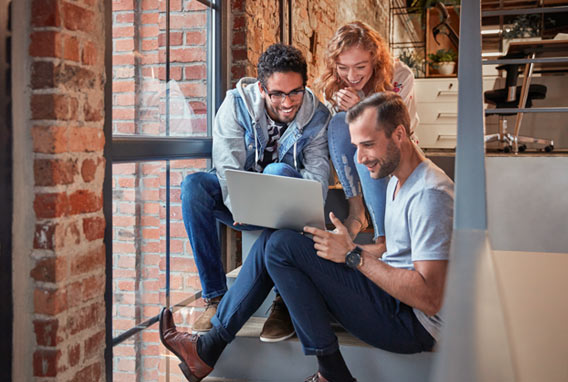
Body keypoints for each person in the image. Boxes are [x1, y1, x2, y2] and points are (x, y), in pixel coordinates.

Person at [159, 92, 453, 382]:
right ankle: (208, 351)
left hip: (410, 324)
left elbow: (428, 298)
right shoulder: (399, 180)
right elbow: (397, 255)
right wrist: (342, 247)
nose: (360, 158)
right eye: (356, 147)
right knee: (279, 243)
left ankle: (329, 373)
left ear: (399, 134)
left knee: (280, 247)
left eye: (368, 145)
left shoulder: (430, 194)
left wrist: (354, 256)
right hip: (390, 299)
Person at [180, 43, 331, 340]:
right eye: (277, 93)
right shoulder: (236, 105)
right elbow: (227, 168)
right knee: (193, 187)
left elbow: (316, 182)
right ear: (262, 88)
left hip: (289, 213)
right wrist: (239, 205)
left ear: (305, 85)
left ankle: (284, 300)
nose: (287, 102)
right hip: (239, 205)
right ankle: (215, 297)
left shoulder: (318, 117)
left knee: (277, 173)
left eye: (295, 92)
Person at [316, 21, 419, 240]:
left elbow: (398, 131)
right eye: (343, 67)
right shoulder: (334, 84)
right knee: (338, 123)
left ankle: (383, 236)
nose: (351, 76)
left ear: (375, 59)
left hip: (397, 150)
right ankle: (357, 211)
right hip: (357, 156)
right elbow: (339, 140)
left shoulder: (401, 76)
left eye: (360, 67)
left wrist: (361, 109)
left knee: (366, 159)